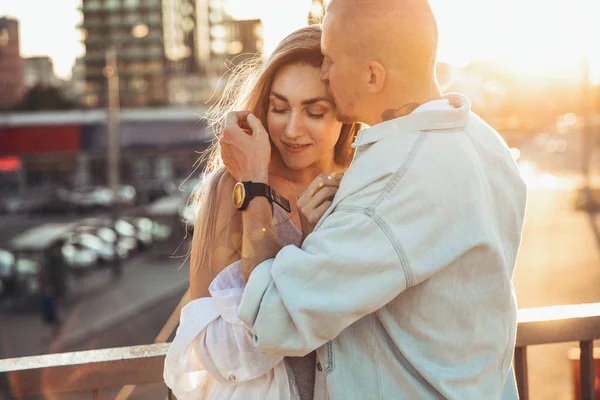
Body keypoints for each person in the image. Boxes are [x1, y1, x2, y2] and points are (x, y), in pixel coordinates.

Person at [218, 0, 528, 399]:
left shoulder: (397, 179)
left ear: (372, 75)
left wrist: (252, 183)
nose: (325, 73)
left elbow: (272, 316)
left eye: (329, 59)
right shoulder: (484, 142)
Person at [163, 25, 363, 400]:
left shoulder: (362, 181)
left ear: (345, 114)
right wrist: (255, 184)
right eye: (279, 107)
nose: (291, 129)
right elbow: (219, 351)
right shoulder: (233, 186)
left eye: (315, 112)